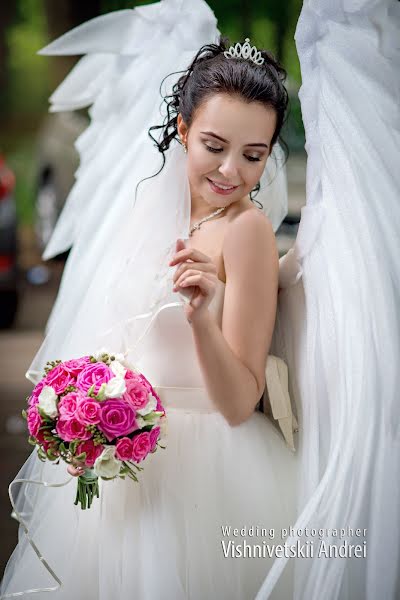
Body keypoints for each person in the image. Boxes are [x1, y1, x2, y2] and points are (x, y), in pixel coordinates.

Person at [0, 2, 300, 599]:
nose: (230, 171)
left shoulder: (247, 232)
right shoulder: (145, 212)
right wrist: (87, 396)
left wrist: (204, 318)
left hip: (214, 474)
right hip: (127, 464)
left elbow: (241, 402)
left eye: (253, 154)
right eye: (214, 145)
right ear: (183, 130)